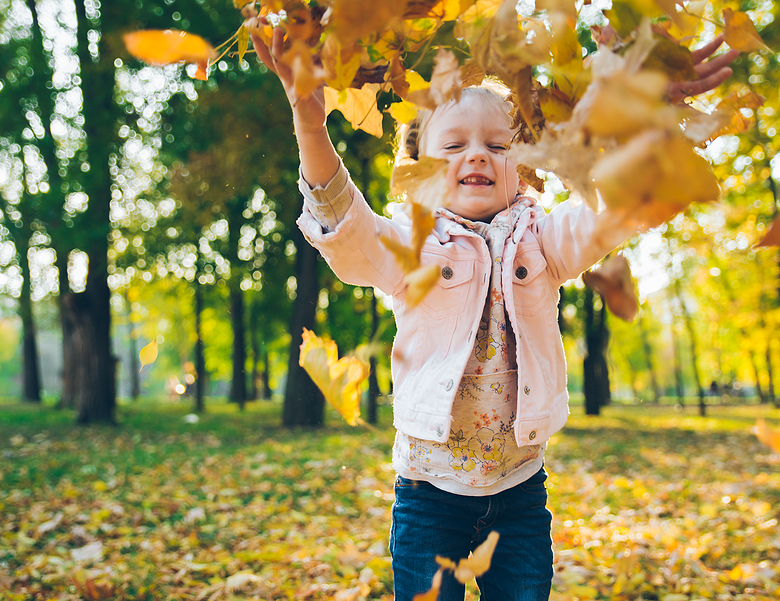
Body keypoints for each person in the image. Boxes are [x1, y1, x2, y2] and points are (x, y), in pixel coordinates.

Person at [250, 24, 737, 601]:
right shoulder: (413, 243)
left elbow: (610, 208)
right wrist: (310, 124)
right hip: (429, 494)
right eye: (453, 146)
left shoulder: (542, 240)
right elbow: (347, 228)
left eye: (499, 146)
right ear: (418, 169)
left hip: (519, 493)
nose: (477, 154)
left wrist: (647, 117)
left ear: (523, 165)